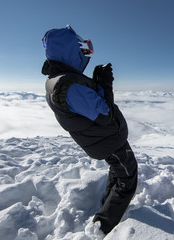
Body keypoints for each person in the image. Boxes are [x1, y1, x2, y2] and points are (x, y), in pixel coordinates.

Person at [41, 25, 138, 234]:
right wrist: (105, 83)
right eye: (80, 48)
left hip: (102, 140)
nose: (85, 53)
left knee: (117, 171)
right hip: (109, 140)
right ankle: (104, 226)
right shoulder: (68, 85)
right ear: (69, 51)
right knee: (128, 178)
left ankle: (106, 208)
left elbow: (93, 105)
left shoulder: (60, 80)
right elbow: (105, 115)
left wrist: (98, 84)